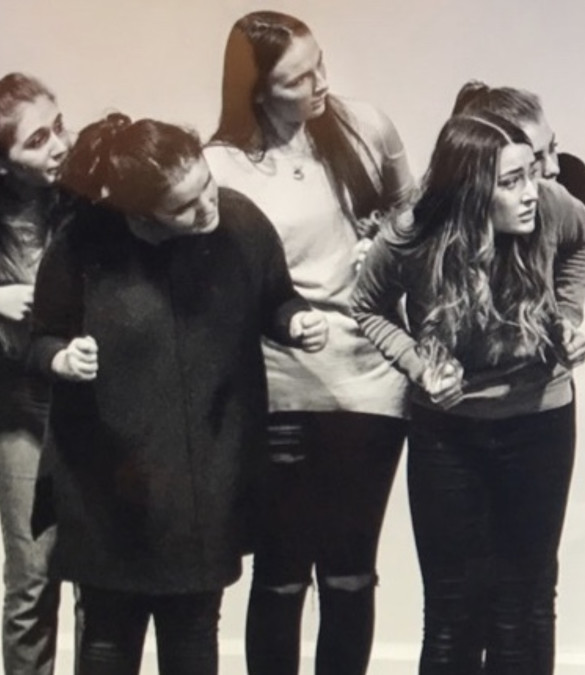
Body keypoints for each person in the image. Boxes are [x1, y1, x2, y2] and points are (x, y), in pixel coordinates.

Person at [29, 112, 328, 675]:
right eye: (184, 207)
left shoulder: (240, 223)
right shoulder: (84, 242)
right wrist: (61, 358)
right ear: (141, 215)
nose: (207, 206)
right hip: (109, 480)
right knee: (108, 637)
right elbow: (41, 336)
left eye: (206, 186)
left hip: (204, 477)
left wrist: (295, 321)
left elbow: (276, 297)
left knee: (193, 629)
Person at [203, 10, 417, 675]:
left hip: (371, 383)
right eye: (299, 78)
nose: (320, 83)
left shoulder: (366, 127)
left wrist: (388, 249)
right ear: (257, 90)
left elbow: (416, 225)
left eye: (320, 64)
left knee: (351, 573)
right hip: (282, 388)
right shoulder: (221, 167)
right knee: (281, 572)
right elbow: (222, 296)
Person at [351, 112, 585, 674]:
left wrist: (566, 317)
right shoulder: (414, 231)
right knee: (451, 610)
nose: (531, 191)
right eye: (511, 182)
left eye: (530, 174)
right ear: (470, 191)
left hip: (539, 423)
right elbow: (366, 306)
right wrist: (418, 364)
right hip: (448, 433)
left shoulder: (551, 206)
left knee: (522, 605)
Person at [0, 72, 70, 675]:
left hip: (90, 400)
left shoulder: (84, 199)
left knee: (101, 579)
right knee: (32, 578)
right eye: (37, 139)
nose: (59, 145)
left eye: (59, 127)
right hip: (19, 408)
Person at [451, 81, 585, 267]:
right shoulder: (455, 216)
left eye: (552, 147)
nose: (553, 168)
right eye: (535, 157)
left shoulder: (568, 176)